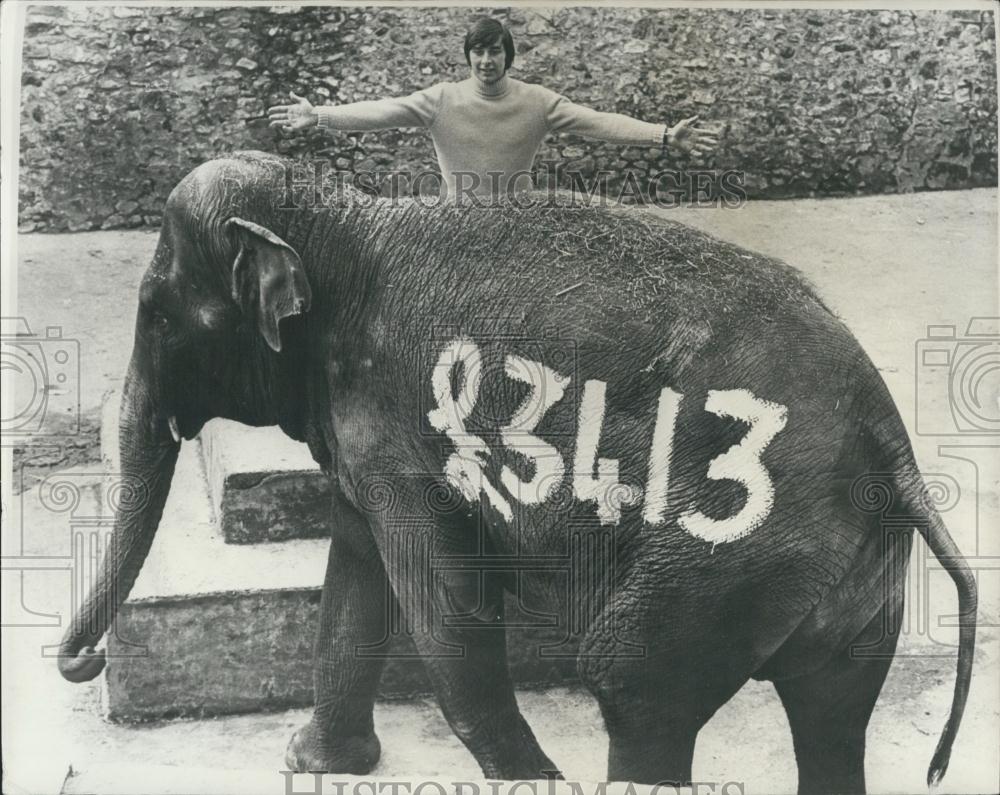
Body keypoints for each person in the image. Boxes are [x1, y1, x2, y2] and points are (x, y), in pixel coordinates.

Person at [267, 17, 720, 201]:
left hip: (518, 226)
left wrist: (664, 134)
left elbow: (598, 122)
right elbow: (382, 111)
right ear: (468, 57)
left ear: (508, 56)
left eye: (495, 52)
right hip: (456, 225)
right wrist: (320, 115)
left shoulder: (538, 102)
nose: (486, 61)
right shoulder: (441, 100)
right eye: (478, 52)